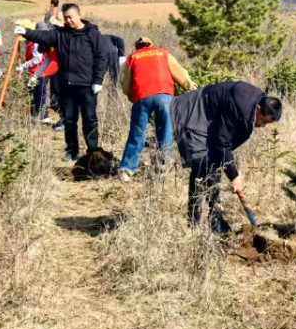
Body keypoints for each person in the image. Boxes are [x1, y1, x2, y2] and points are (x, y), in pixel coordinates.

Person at [171, 81, 282, 232]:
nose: (263, 126)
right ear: (258, 109)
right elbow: (221, 142)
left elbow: (224, 144)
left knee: (213, 162)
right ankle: (194, 225)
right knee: (201, 162)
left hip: (209, 117)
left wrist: (229, 167)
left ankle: (215, 221)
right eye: (264, 121)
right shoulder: (239, 106)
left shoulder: (251, 105)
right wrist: (234, 175)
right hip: (192, 111)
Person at [15, 3, 108, 160]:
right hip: (67, 84)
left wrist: (98, 80)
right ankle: (72, 151)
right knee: (70, 120)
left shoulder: (93, 34)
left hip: (87, 85)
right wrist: (26, 32)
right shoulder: (60, 34)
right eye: (66, 18)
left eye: (71, 17)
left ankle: (92, 151)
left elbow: (101, 58)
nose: (69, 21)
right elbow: (43, 36)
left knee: (89, 119)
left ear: (79, 15)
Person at [118, 37, 196, 181]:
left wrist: (131, 96)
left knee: (137, 133)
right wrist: (190, 87)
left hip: (142, 98)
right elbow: (180, 74)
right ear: (151, 45)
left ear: (137, 47)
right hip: (165, 97)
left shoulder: (132, 58)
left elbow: (125, 83)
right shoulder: (163, 53)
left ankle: (127, 170)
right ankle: (163, 168)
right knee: (165, 131)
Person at [16, 22, 58, 123]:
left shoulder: (36, 43)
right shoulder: (38, 43)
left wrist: (23, 66)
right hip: (39, 72)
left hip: (41, 72)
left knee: (40, 93)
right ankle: (35, 114)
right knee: (36, 93)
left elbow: (37, 59)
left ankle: (44, 116)